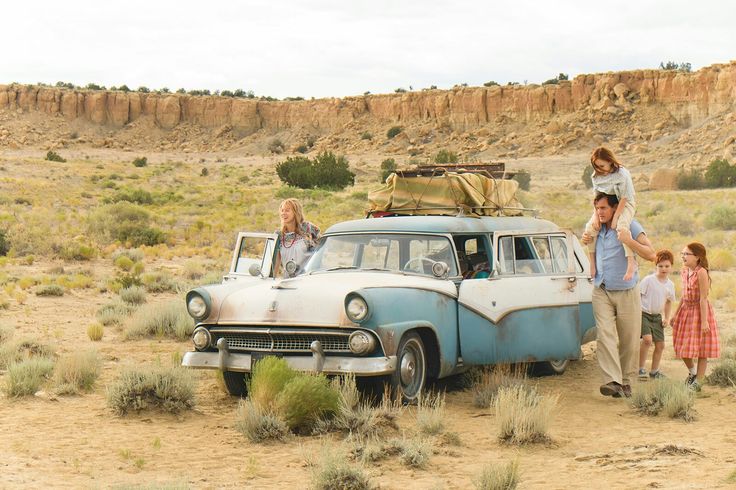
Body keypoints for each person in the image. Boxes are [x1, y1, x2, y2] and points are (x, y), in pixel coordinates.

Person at [581, 192, 655, 398]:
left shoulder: (630, 225)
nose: (599, 212)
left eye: (603, 208)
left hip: (627, 291)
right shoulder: (596, 228)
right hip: (601, 289)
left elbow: (651, 254)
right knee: (605, 335)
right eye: (597, 208)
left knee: (629, 338)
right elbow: (587, 242)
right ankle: (612, 381)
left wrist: (629, 241)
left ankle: (626, 382)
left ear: (615, 208)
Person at [671, 242, 720, 391]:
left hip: (700, 312)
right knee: (681, 347)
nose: (683, 256)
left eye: (687, 254)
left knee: (702, 349)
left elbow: (703, 298)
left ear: (697, 257)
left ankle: (698, 382)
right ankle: (693, 373)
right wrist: (675, 313)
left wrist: (704, 321)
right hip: (686, 310)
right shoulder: (684, 271)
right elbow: (684, 295)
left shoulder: (701, 272)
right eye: (683, 253)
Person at [584, 147, 638, 282]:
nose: (599, 169)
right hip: (605, 203)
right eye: (596, 166)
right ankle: (592, 264)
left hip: (624, 203)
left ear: (610, 161)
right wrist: (596, 216)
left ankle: (631, 263)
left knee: (621, 226)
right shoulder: (595, 177)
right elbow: (596, 198)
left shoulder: (622, 174)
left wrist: (615, 218)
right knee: (590, 228)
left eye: (602, 165)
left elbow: (624, 198)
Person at [638, 249, 676, 380]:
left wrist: (667, 318)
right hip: (643, 314)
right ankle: (640, 369)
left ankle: (654, 372)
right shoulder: (648, 280)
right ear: (656, 266)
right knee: (647, 340)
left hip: (657, 317)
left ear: (671, 266)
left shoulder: (670, 285)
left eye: (667, 266)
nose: (663, 269)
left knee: (660, 345)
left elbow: (668, 302)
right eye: (660, 266)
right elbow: (638, 296)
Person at [273, 198, 320, 278]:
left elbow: (321, 250)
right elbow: (275, 261)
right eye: (282, 210)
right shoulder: (279, 235)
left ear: (296, 212)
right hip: (288, 281)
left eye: (287, 210)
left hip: (308, 278)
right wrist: (272, 279)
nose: (283, 213)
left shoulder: (308, 228)